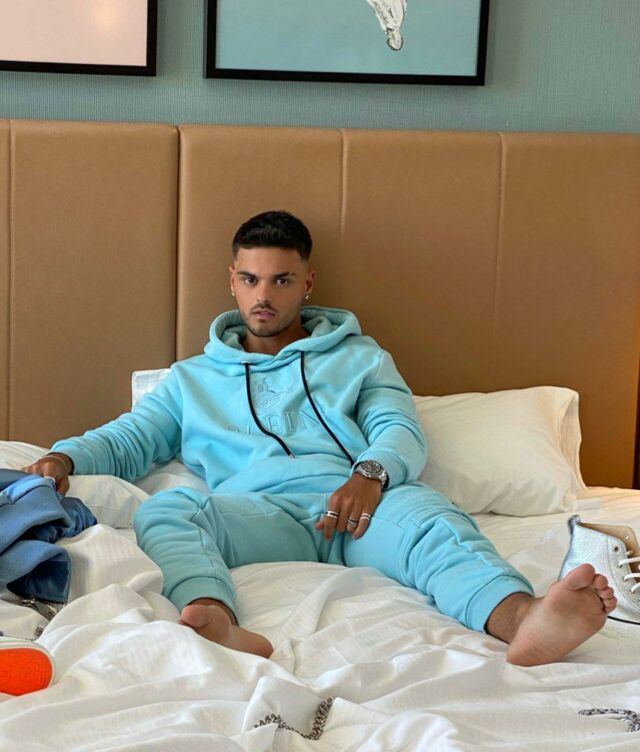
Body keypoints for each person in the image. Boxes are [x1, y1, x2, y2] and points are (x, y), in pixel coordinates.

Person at [23, 210, 617, 667]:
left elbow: (398, 427)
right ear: (232, 281)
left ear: (307, 282)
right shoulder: (192, 379)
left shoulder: (361, 358)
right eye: (250, 279)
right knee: (168, 510)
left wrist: (371, 475)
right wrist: (64, 457)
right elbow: (130, 438)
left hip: (356, 508)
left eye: (280, 280)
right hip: (256, 512)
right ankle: (214, 616)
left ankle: (525, 619)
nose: (263, 296)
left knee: (432, 520)